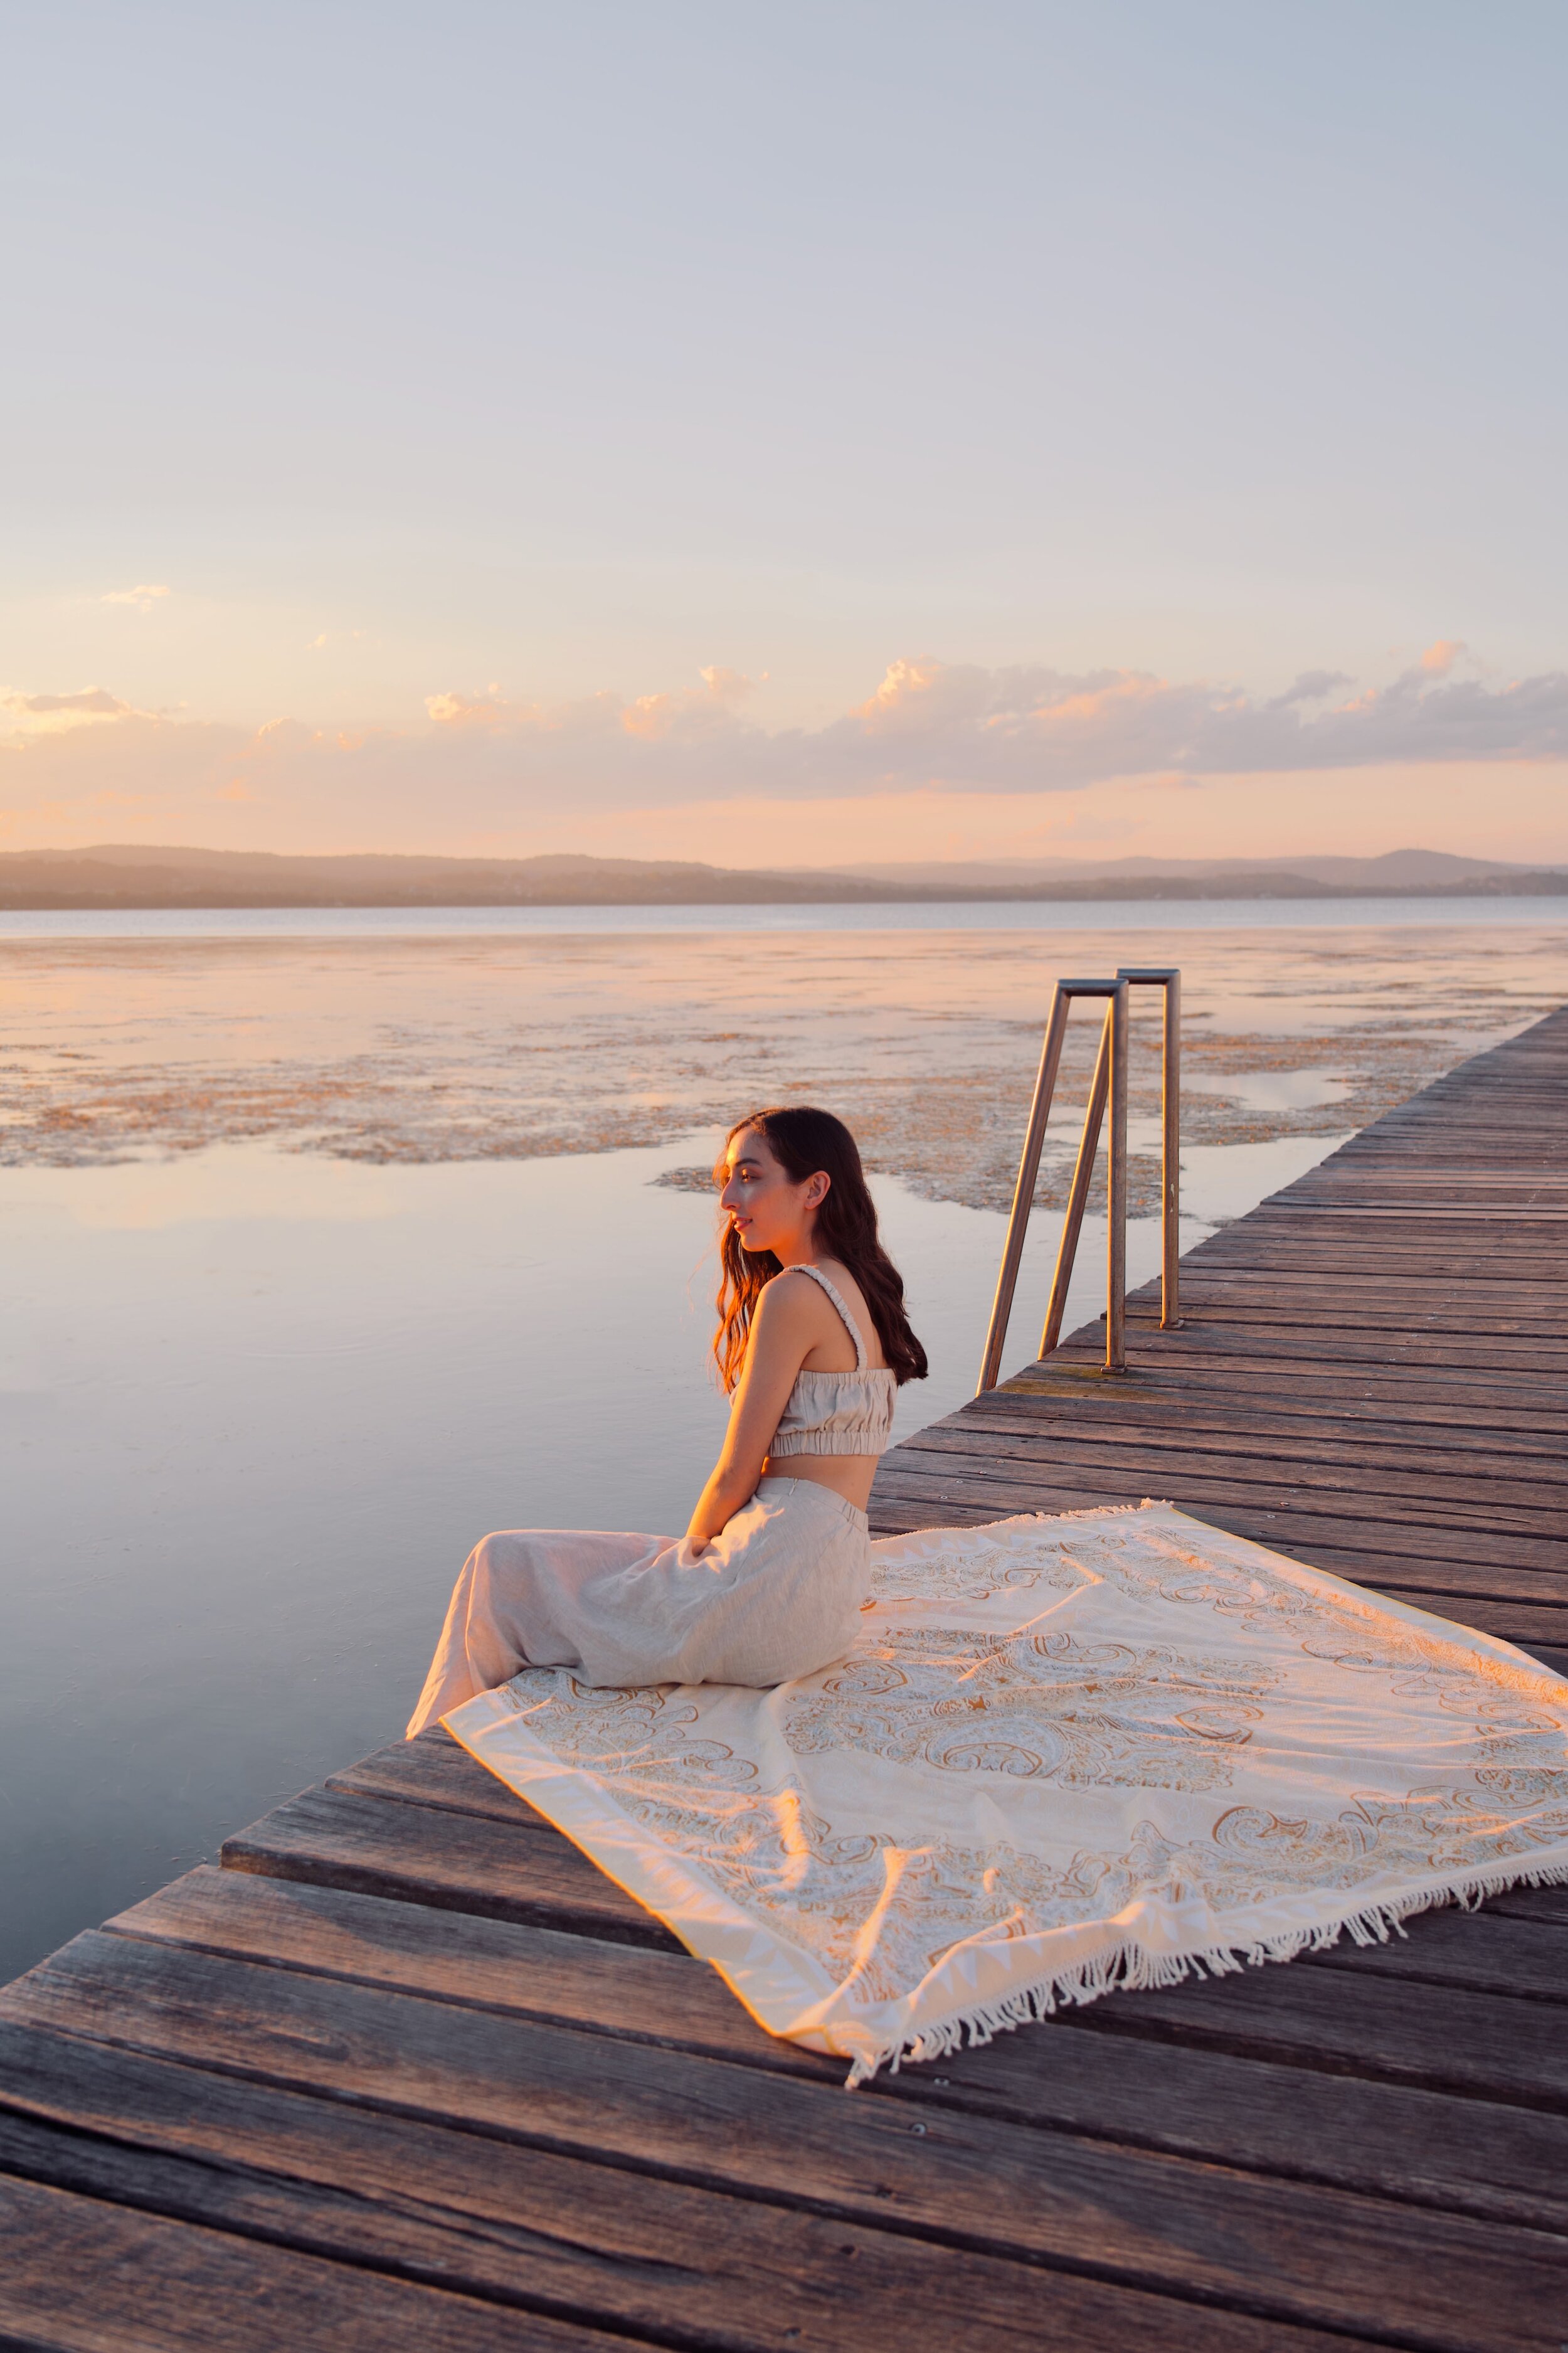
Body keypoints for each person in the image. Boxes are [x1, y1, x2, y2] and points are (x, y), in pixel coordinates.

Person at [405, 1105, 928, 1734]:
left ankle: (435, 1737)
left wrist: (688, 1557)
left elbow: (736, 1474)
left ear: (814, 1188)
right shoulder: (858, 1290)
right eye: (727, 1181)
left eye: (750, 1177)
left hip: (772, 1592)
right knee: (594, 1573)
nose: (730, 1198)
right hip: (827, 1597)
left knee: (501, 1563)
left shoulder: (792, 1294)